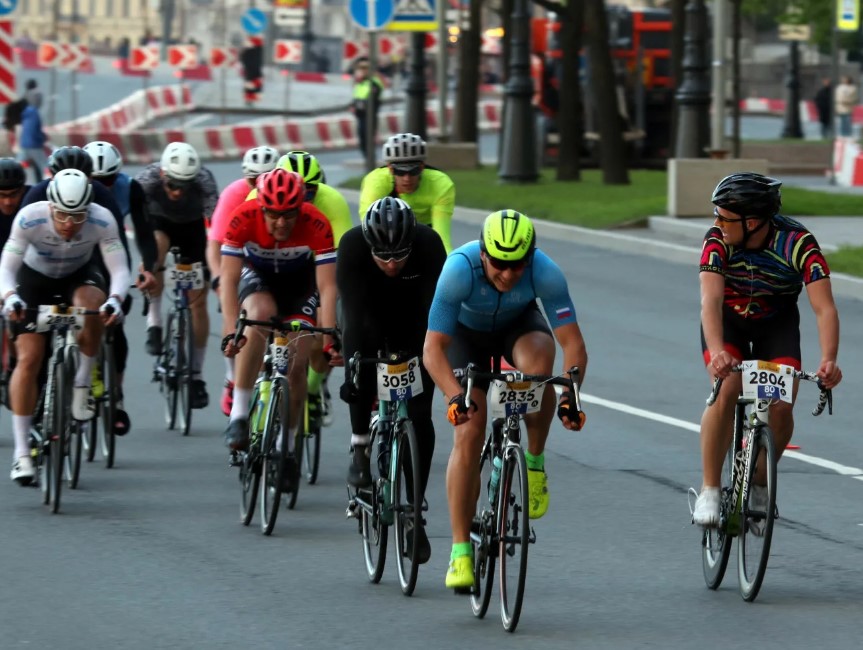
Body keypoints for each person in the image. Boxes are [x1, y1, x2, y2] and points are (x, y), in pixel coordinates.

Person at [423, 209, 588, 590]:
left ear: (530, 257)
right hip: (466, 336)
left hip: (517, 326)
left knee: (540, 364)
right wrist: (453, 396)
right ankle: (460, 550)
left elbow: (573, 344)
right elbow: (433, 349)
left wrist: (570, 396)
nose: (509, 274)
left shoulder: (545, 272)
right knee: (469, 431)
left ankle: (533, 460)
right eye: (499, 263)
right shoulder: (458, 270)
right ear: (483, 254)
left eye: (518, 265)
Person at [691, 173, 843, 529]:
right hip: (728, 321)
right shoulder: (717, 240)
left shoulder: (799, 243)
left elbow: (825, 308)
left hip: (777, 322)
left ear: (753, 221)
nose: (716, 223)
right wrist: (717, 352)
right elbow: (710, 301)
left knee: (782, 402)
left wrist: (829, 359)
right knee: (727, 388)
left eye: (724, 217)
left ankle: (759, 478)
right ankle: (710, 489)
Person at [1, 169, 129, 484]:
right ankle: (21, 454)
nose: (69, 224)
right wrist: (10, 297)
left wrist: (114, 299)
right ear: (50, 206)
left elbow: (120, 268)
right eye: (62, 215)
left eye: (77, 216)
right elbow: (7, 264)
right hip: (34, 280)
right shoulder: (30, 217)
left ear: (89, 208)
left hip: (78, 273)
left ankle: (82, 386)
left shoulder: (101, 219)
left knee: (94, 305)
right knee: (29, 358)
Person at [339, 197, 447, 563]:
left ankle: (415, 512)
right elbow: (352, 321)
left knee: (419, 417)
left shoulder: (430, 245)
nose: (389, 263)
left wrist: (435, 359)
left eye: (398, 256)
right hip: (369, 320)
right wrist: (353, 371)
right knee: (361, 365)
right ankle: (360, 444)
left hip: (415, 324)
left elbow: (440, 315)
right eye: (382, 256)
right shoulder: (353, 247)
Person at [219, 169, 339, 493]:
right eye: (273, 215)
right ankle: (240, 415)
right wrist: (232, 331)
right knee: (258, 316)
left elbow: (328, 287)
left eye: (289, 216)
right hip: (258, 280)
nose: (281, 224)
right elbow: (227, 280)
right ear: (261, 208)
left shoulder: (316, 223)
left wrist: (330, 339)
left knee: (297, 362)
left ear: (300, 208)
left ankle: (287, 449)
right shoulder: (242, 216)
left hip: (300, 287)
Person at [83, 140, 159, 434]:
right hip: (80, 255)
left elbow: (144, 233)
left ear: (119, 175)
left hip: (112, 254)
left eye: (110, 180)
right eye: (97, 181)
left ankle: (116, 396)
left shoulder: (131, 188)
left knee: (116, 323)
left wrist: (149, 268)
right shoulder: (72, 186)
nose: (104, 186)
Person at [135, 141, 219, 409]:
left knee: (199, 301)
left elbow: (215, 228)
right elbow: (134, 221)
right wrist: (146, 263)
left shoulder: (204, 181)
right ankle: (155, 322)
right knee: (156, 251)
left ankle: (195, 374)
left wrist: (216, 269)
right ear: (162, 175)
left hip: (193, 229)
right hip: (158, 225)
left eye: (183, 186)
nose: (176, 192)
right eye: (172, 184)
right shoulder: (146, 179)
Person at [276, 150, 353, 428]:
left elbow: (343, 255)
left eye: (310, 190)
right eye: (299, 189)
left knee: (323, 334)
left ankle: (312, 388)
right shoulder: (262, 200)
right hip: (277, 266)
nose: (304, 196)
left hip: (319, 265)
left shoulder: (331, 201)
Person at [207, 145, 280, 415]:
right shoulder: (234, 195)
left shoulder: (284, 199)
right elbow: (215, 245)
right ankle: (232, 378)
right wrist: (218, 279)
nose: (259, 185)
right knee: (240, 316)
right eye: (253, 179)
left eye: (266, 178)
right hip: (245, 260)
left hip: (281, 264)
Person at [359, 133, 456, 253]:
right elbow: (368, 230)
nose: (407, 178)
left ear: (422, 167)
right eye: (400, 171)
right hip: (389, 230)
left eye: (413, 170)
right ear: (390, 168)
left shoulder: (441, 184)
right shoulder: (375, 183)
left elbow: (442, 238)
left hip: (424, 231)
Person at [351, 57, 385, 157]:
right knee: (362, 139)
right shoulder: (360, 83)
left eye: (365, 67)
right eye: (360, 67)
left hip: (369, 116)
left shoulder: (374, 83)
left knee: (368, 139)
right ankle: (367, 160)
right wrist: (353, 105)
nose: (362, 70)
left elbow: (373, 100)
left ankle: (370, 161)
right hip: (360, 115)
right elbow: (357, 97)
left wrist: (361, 105)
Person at [17, 83, 48, 183]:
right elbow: (34, 130)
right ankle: (47, 185)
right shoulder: (34, 113)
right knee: (45, 167)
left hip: (24, 144)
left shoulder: (26, 112)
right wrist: (42, 138)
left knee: (18, 166)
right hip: (34, 145)